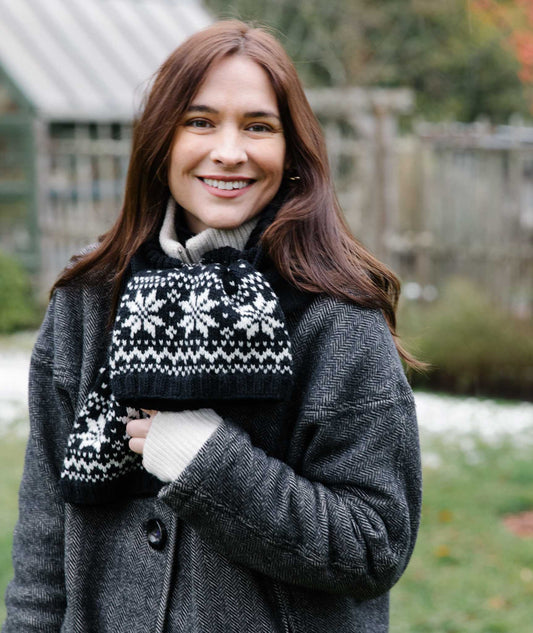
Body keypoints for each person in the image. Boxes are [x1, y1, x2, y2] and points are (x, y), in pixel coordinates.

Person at [3, 20, 422, 633]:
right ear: (160, 143)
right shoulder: (88, 302)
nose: (229, 151)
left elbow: (375, 542)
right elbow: (44, 540)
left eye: (258, 126)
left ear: (292, 150)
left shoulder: (336, 319)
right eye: (199, 122)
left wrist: (213, 465)